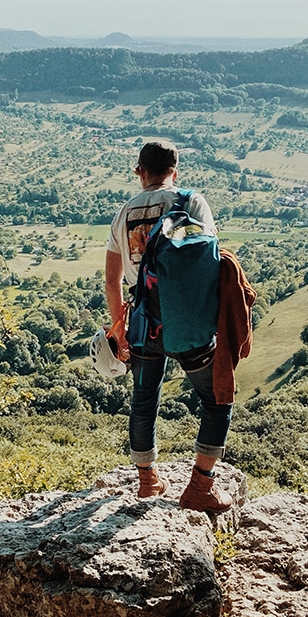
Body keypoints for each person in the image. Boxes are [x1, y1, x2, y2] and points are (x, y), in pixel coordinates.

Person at [105, 141, 232, 513]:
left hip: (143, 322)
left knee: (144, 400)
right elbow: (206, 259)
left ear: (139, 171)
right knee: (216, 399)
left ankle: (148, 481)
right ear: (175, 171)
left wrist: (119, 330)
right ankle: (200, 486)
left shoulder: (124, 212)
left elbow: (112, 280)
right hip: (187, 322)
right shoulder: (192, 203)